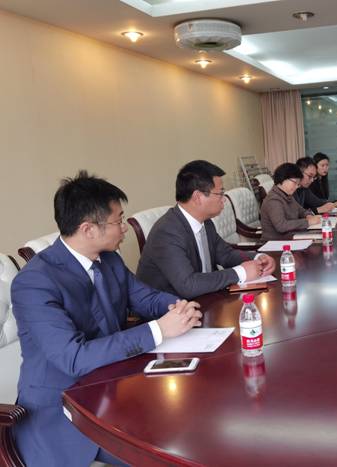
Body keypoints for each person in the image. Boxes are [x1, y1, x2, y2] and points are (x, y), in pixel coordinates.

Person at [11, 171, 202, 467]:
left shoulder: (109, 258)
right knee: (171, 454)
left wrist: (178, 307)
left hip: (114, 388)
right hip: (62, 411)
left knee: (190, 420)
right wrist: (158, 330)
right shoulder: (35, 282)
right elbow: (73, 358)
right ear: (88, 229)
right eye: (118, 221)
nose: (124, 228)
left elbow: (144, 297)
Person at [137, 160, 275, 298]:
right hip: (172, 306)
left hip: (205, 297)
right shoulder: (167, 232)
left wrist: (258, 258)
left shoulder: (206, 222)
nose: (224, 199)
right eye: (220, 193)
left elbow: (226, 255)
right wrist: (240, 273)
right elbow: (188, 285)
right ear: (198, 197)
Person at [260, 163, 322, 240]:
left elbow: (302, 211)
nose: (296, 187)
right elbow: (281, 226)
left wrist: (308, 216)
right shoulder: (273, 200)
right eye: (295, 183)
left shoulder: (287, 195)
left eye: (298, 184)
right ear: (283, 178)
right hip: (275, 242)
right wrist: (308, 222)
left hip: (290, 237)